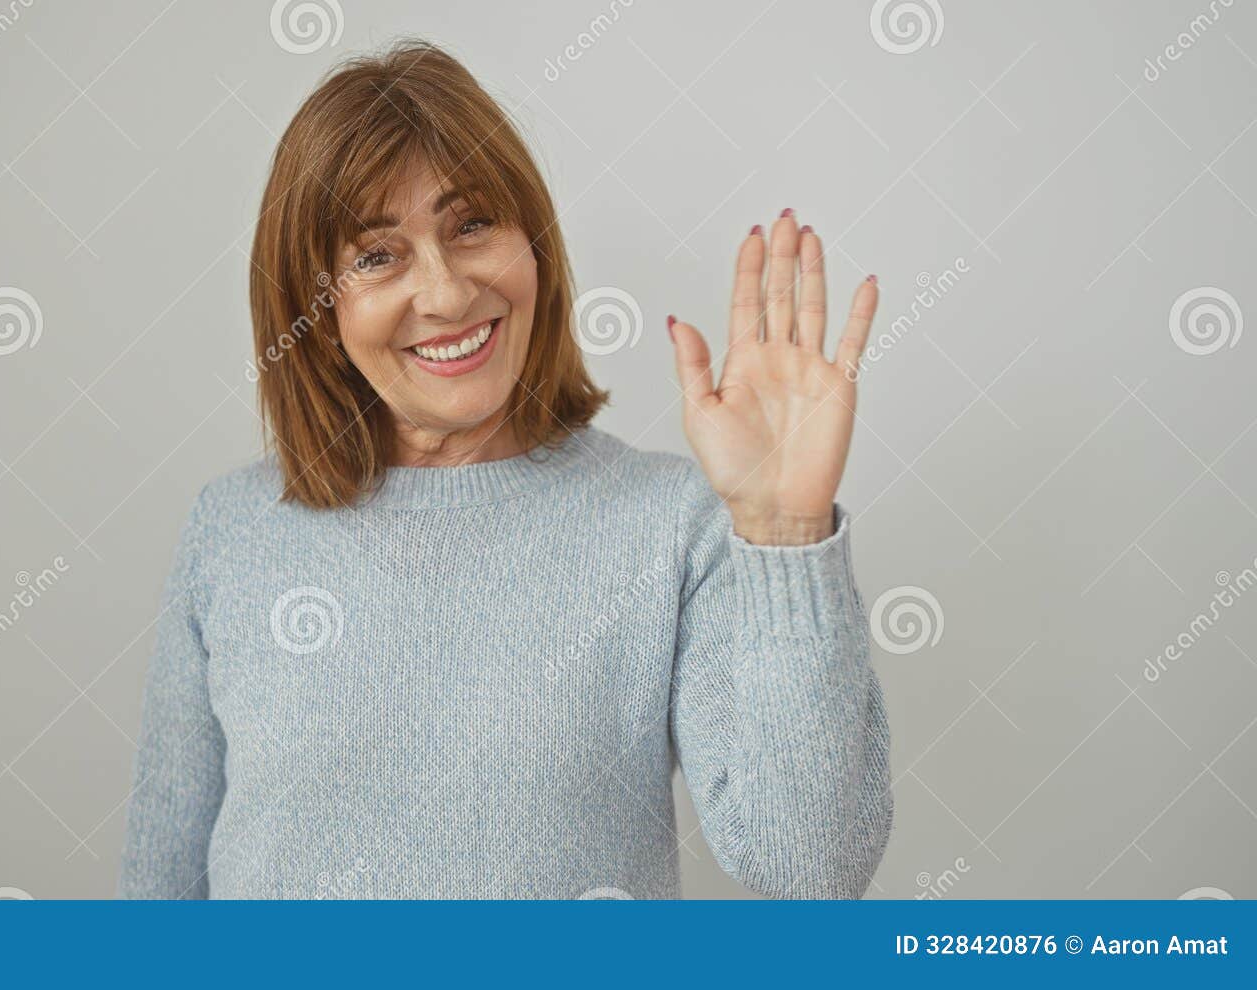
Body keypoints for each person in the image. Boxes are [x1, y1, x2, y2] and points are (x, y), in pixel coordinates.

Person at [118, 39, 892, 899]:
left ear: (534, 245)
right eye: (378, 255)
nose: (447, 294)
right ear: (319, 308)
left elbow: (810, 869)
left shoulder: (670, 523)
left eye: (472, 225)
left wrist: (785, 536)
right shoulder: (231, 531)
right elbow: (159, 900)